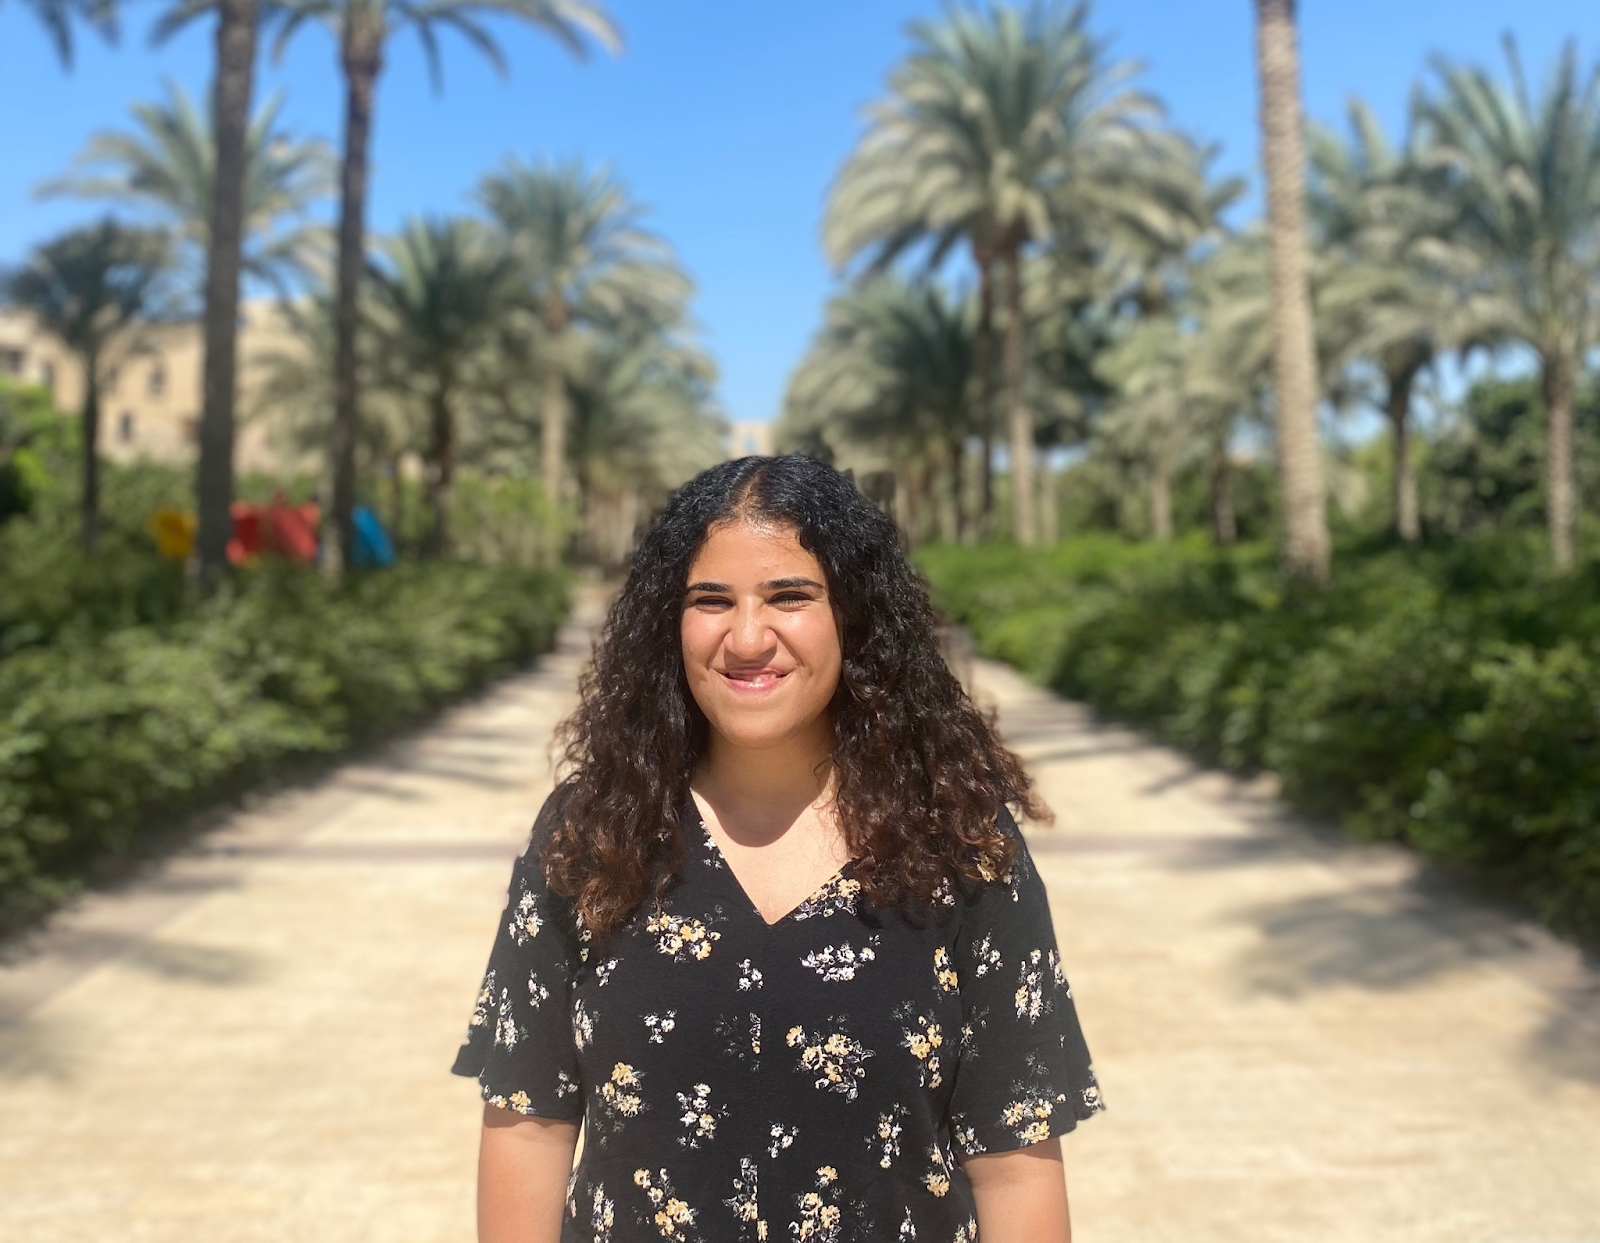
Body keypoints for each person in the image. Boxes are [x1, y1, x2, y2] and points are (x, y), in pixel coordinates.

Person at [452, 455, 1103, 1243]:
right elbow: (531, 1121)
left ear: (853, 617)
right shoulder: (592, 834)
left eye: (790, 596)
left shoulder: (960, 843)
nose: (748, 637)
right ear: (671, 620)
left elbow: (1012, 1155)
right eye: (711, 601)